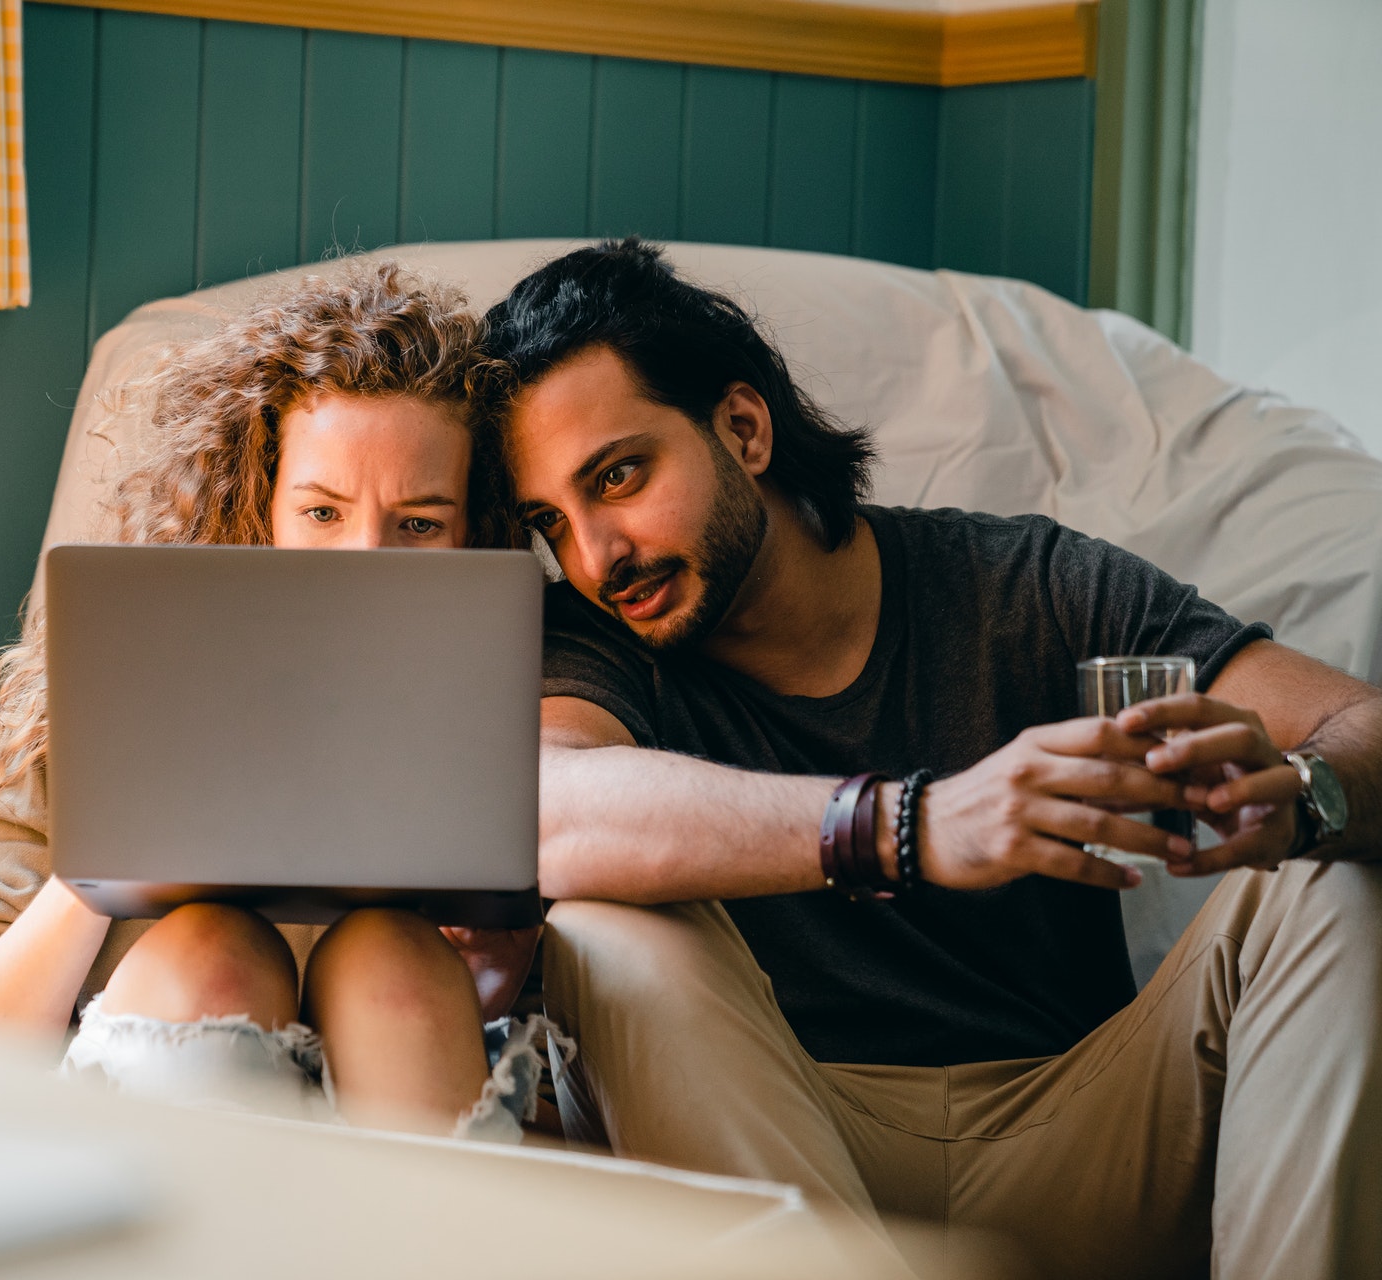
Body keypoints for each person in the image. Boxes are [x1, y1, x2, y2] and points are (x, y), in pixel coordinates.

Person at [480, 239, 1382, 1278]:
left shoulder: (1025, 585)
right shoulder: (596, 639)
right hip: (792, 1146)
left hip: (1087, 1131)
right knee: (608, 926)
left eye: (620, 476)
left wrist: (1306, 796)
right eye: (553, 519)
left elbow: (1358, 722)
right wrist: (914, 824)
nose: (598, 555)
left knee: (1334, 878)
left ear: (743, 427)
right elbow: (551, 810)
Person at [0, 263, 549, 1142]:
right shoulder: (118, 670)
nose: (366, 566)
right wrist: (104, 868)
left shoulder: (529, 702)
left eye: (417, 525)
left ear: (473, 531)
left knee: (391, 956)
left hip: (398, 1115)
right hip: (148, 1136)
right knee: (213, 946)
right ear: (260, 507)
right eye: (323, 514)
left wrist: (493, 965)